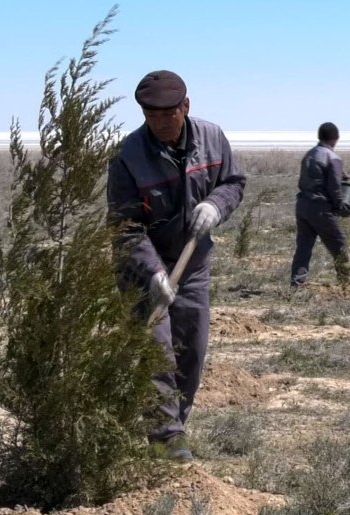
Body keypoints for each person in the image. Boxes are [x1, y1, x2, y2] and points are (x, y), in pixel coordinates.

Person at [107, 70, 245, 461]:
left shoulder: (213, 138)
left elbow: (233, 182)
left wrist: (216, 205)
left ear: (186, 106)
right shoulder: (128, 156)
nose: (161, 123)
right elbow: (125, 225)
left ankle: (173, 428)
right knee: (157, 350)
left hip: (193, 263)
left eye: (169, 114)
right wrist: (152, 272)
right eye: (151, 116)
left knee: (192, 351)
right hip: (142, 269)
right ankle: (166, 439)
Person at [289, 122, 350, 288]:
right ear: (335, 139)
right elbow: (334, 187)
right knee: (339, 243)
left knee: (304, 247)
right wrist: (340, 206)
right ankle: (347, 282)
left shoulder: (309, 155)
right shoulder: (333, 157)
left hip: (302, 205)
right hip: (320, 208)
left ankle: (296, 285)